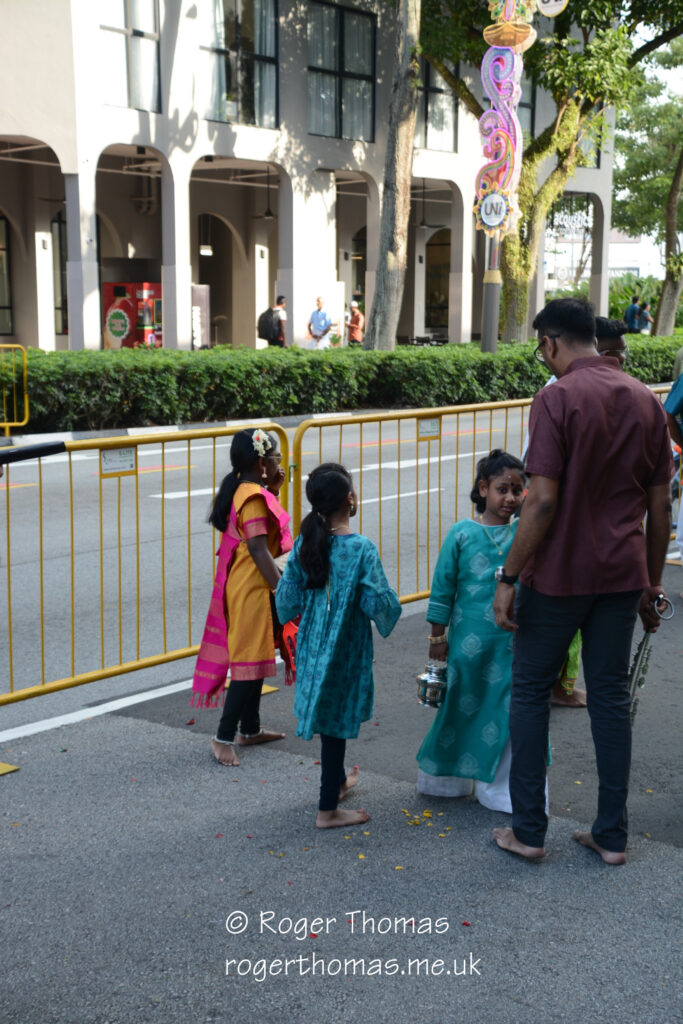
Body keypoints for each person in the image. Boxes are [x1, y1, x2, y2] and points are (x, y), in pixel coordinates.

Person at [492, 298, 673, 865]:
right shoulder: (647, 400)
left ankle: (528, 832)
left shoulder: (556, 399)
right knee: (611, 698)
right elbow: (661, 505)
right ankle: (611, 838)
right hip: (621, 576)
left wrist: (508, 575)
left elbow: (541, 502)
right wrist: (651, 582)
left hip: (559, 577)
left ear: (550, 343)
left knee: (528, 692)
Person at [276, 463, 401, 828]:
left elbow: (286, 601)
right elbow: (378, 604)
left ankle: (338, 781)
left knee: (329, 719)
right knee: (335, 723)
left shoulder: (305, 542)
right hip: (346, 649)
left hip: (313, 644)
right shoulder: (361, 548)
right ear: (350, 499)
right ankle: (327, 809)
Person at [416, 451, 528, 813]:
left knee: (508, 712)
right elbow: (442, 589)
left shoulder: (525, 532)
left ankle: (501, 789)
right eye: (502, 489)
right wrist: (437, 638)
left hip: (512, 641)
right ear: (483, 488)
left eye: (517, 489)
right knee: (461, 707)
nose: (510, 498)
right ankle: (447, 781)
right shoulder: (462, 534)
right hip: (468, 643)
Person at [192, 428, 292, 768]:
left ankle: (249, 729)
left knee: (259, 655)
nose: (280, 461)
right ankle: (222, 737)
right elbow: (259, 549)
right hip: (252, 588)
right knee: (248, 662)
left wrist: (273, 489)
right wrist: (282, 587)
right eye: (276, 456)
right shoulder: (252, 497)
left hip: (250, 584)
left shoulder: (250, 490)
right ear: (262, 462)